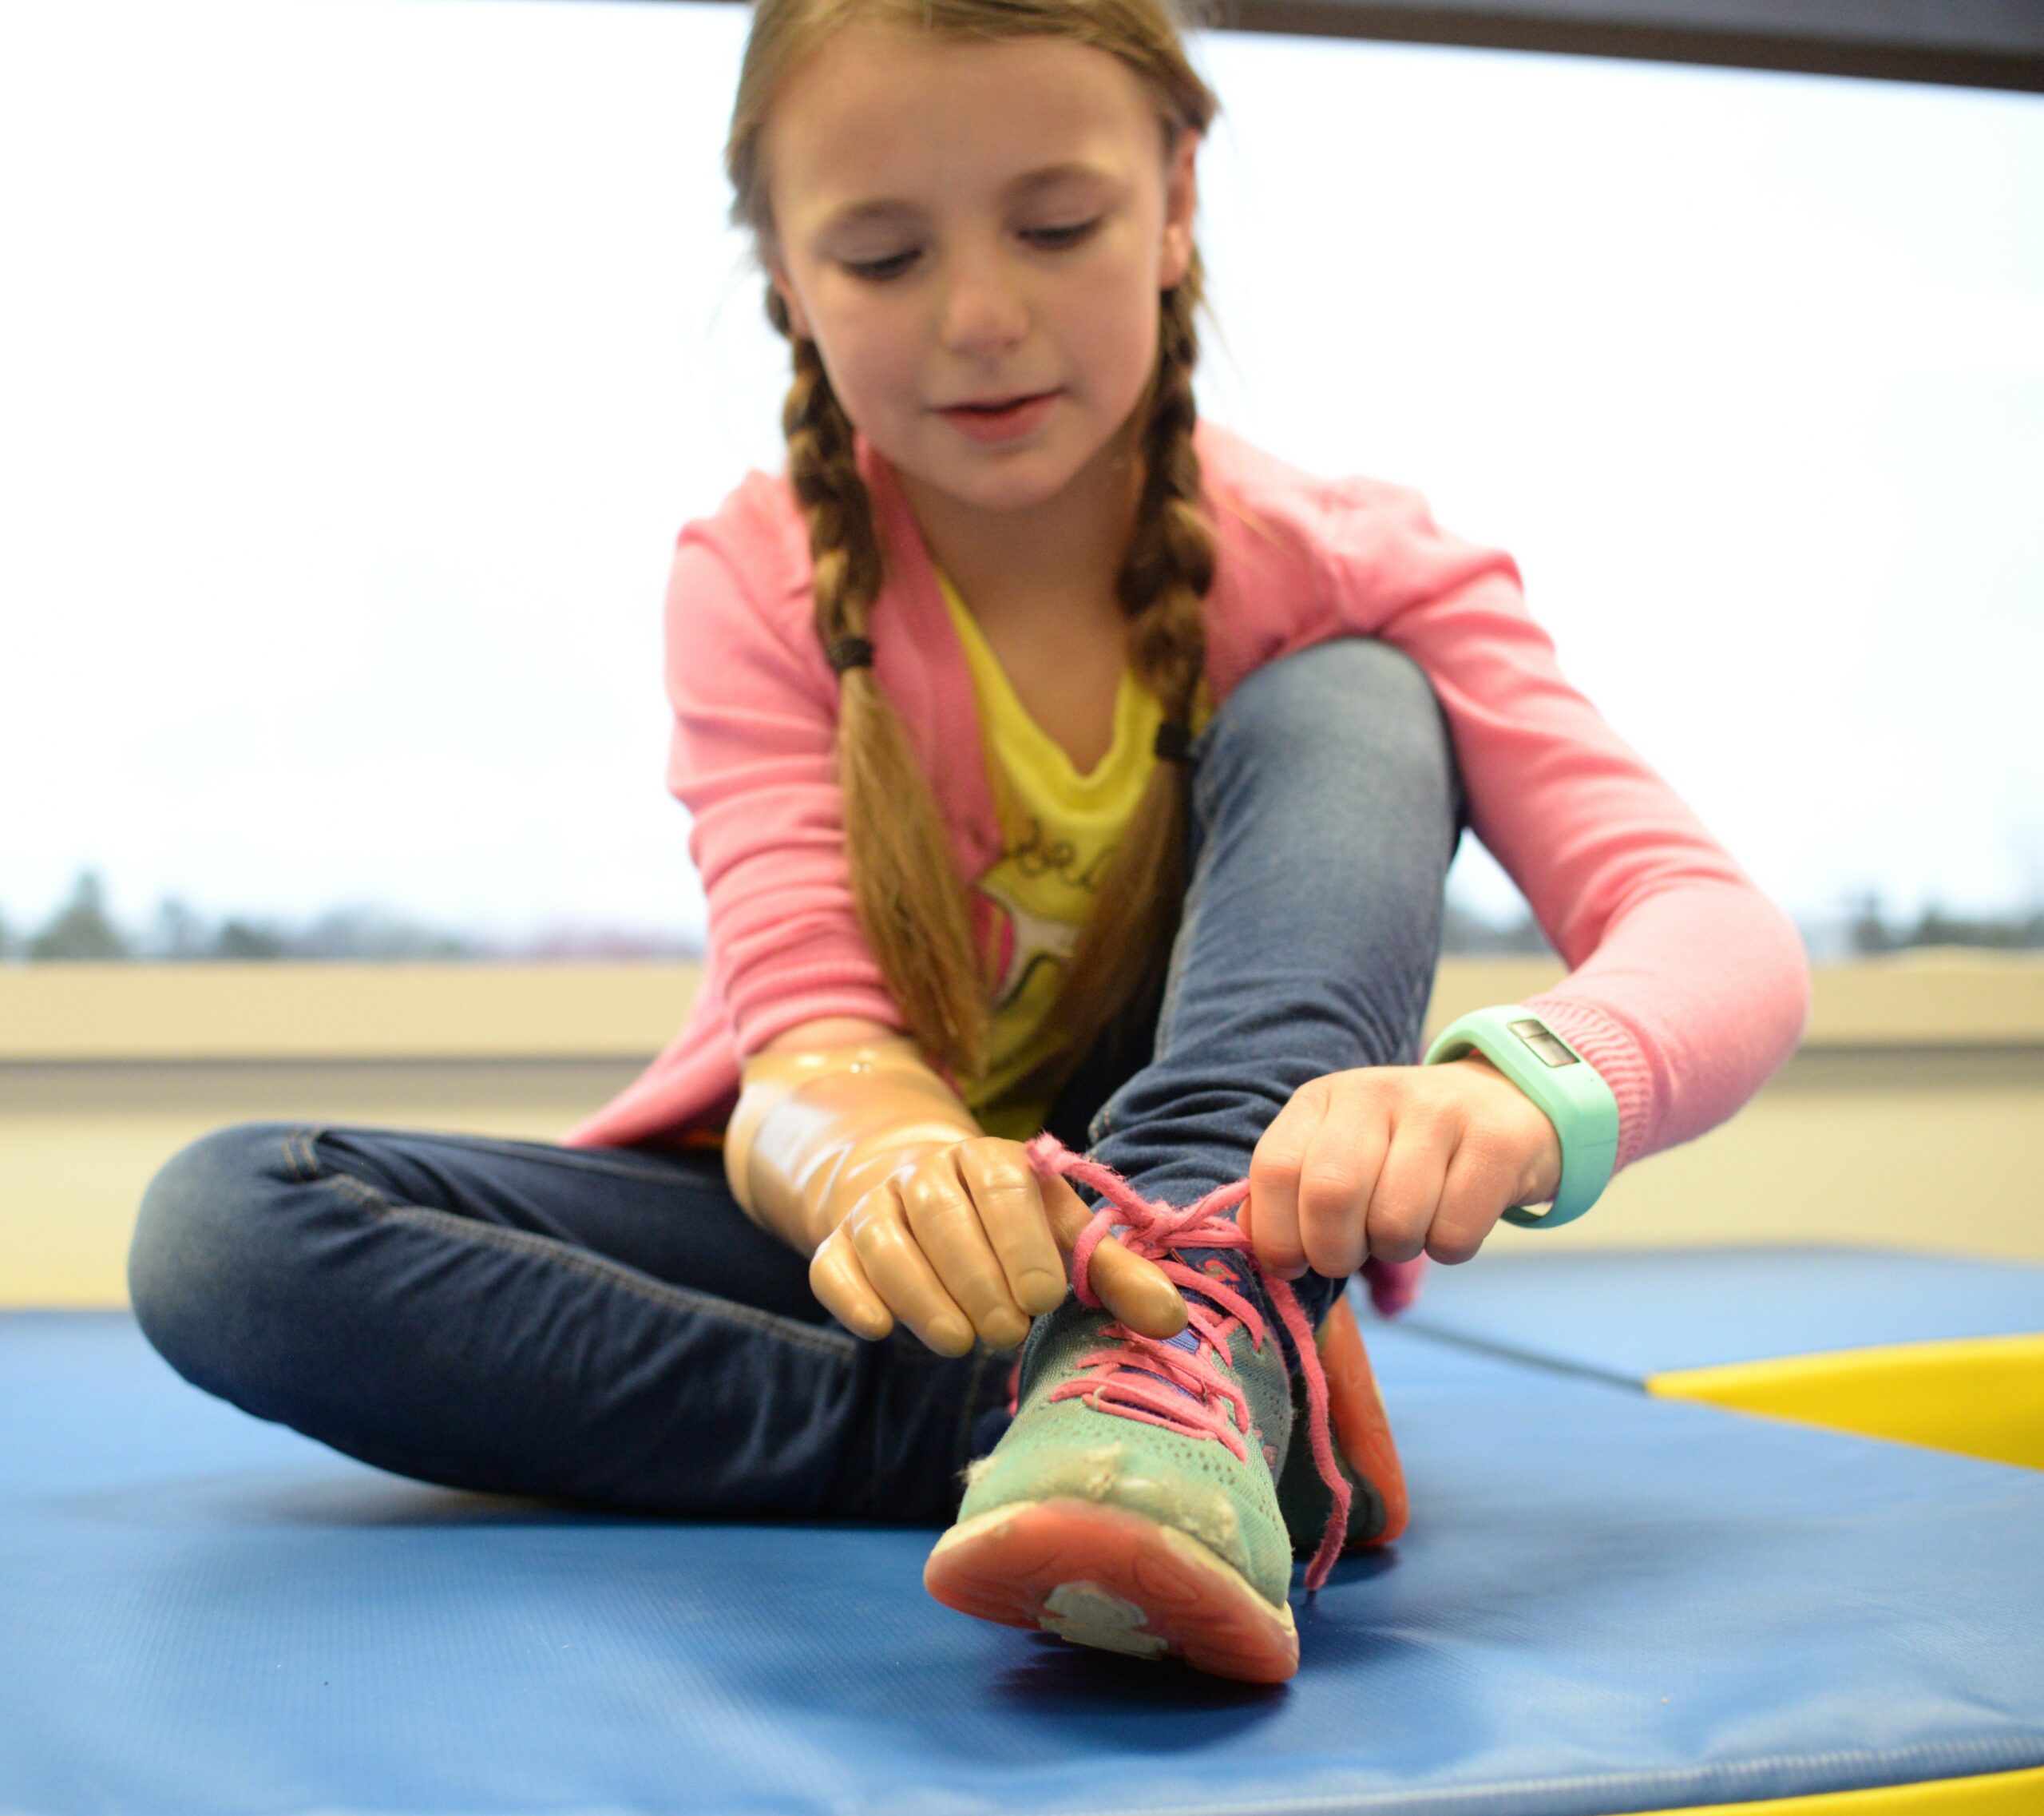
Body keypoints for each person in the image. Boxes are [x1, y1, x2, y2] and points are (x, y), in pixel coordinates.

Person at [126, 0, 1812, 1686]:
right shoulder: (754, 575)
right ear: (783, 276)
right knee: (230, 1234)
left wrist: (1505, 1090)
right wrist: (890, 1176)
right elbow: (805, 1029)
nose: (981, 318)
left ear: (1173, 201)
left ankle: (1192, 1339)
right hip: (886, 1266)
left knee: (1358, 696)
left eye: (1055, 225)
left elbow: (1704, 925)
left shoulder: (1350, 562)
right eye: (878, 254)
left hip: (1190, 1224)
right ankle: (1125, 1415)